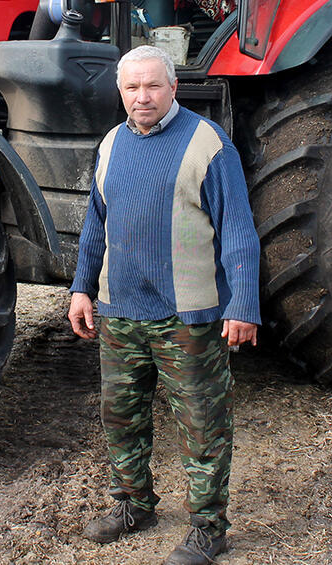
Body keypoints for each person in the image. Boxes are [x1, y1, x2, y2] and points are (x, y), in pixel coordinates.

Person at [68, 45, 260, 565]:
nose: (142, 97)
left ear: (173, 87)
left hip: (188, 316)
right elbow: (95, 223)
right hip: (120, 310)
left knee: (202, 424)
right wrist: (82, 288)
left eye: (152, 86)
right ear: (120, 92)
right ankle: (134, 504)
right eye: (132, 88)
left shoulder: (207, 144)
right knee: (121, 416)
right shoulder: (111, 145)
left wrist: (242, 304)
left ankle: (208, 529)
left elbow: (238, 229)